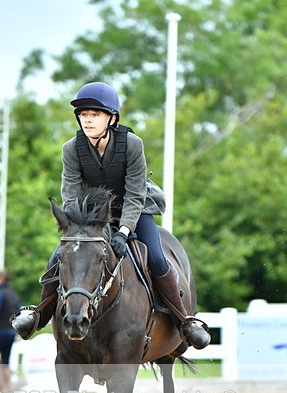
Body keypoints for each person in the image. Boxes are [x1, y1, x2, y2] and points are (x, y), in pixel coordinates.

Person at [11, 81, 210, 349]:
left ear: (111, 118)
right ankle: (39, 315)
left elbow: (135, 192)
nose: (88, 120)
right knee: (59, 257)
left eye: (95, 115)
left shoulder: (131, 144)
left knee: (158, 257)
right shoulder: (71, 149)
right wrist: (81, 228)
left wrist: (124, 231)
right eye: (83, 115)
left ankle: (184, 321)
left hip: (134, 210)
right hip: (91, 218)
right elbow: (70, 194)